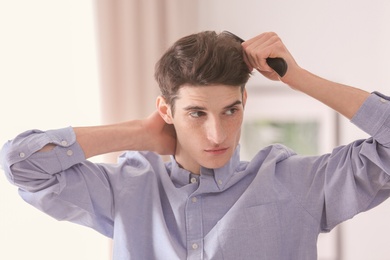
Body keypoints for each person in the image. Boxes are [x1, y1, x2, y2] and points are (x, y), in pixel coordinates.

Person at [1, 30, 390, 260]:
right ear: (166, 111)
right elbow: (22, 165)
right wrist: (139, 132)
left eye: (230, 110)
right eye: (196, 114)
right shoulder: (127, 189)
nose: (218, 135)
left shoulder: (296, 184)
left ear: (245, 103)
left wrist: (298, 77)